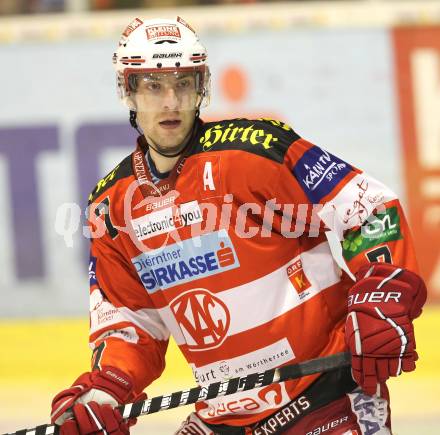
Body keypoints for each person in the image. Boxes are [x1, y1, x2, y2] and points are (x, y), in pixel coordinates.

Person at [50, 16, 427, 435]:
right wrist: (105, 392)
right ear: (128, 91)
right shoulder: (110, 206)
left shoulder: (257, 150)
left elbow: (368, 208)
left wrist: (380, 292)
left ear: (202, 87)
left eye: (184, 83)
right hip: (222, 419)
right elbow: (130, 322)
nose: (171, 101)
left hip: (327, 396)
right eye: (153, 85)